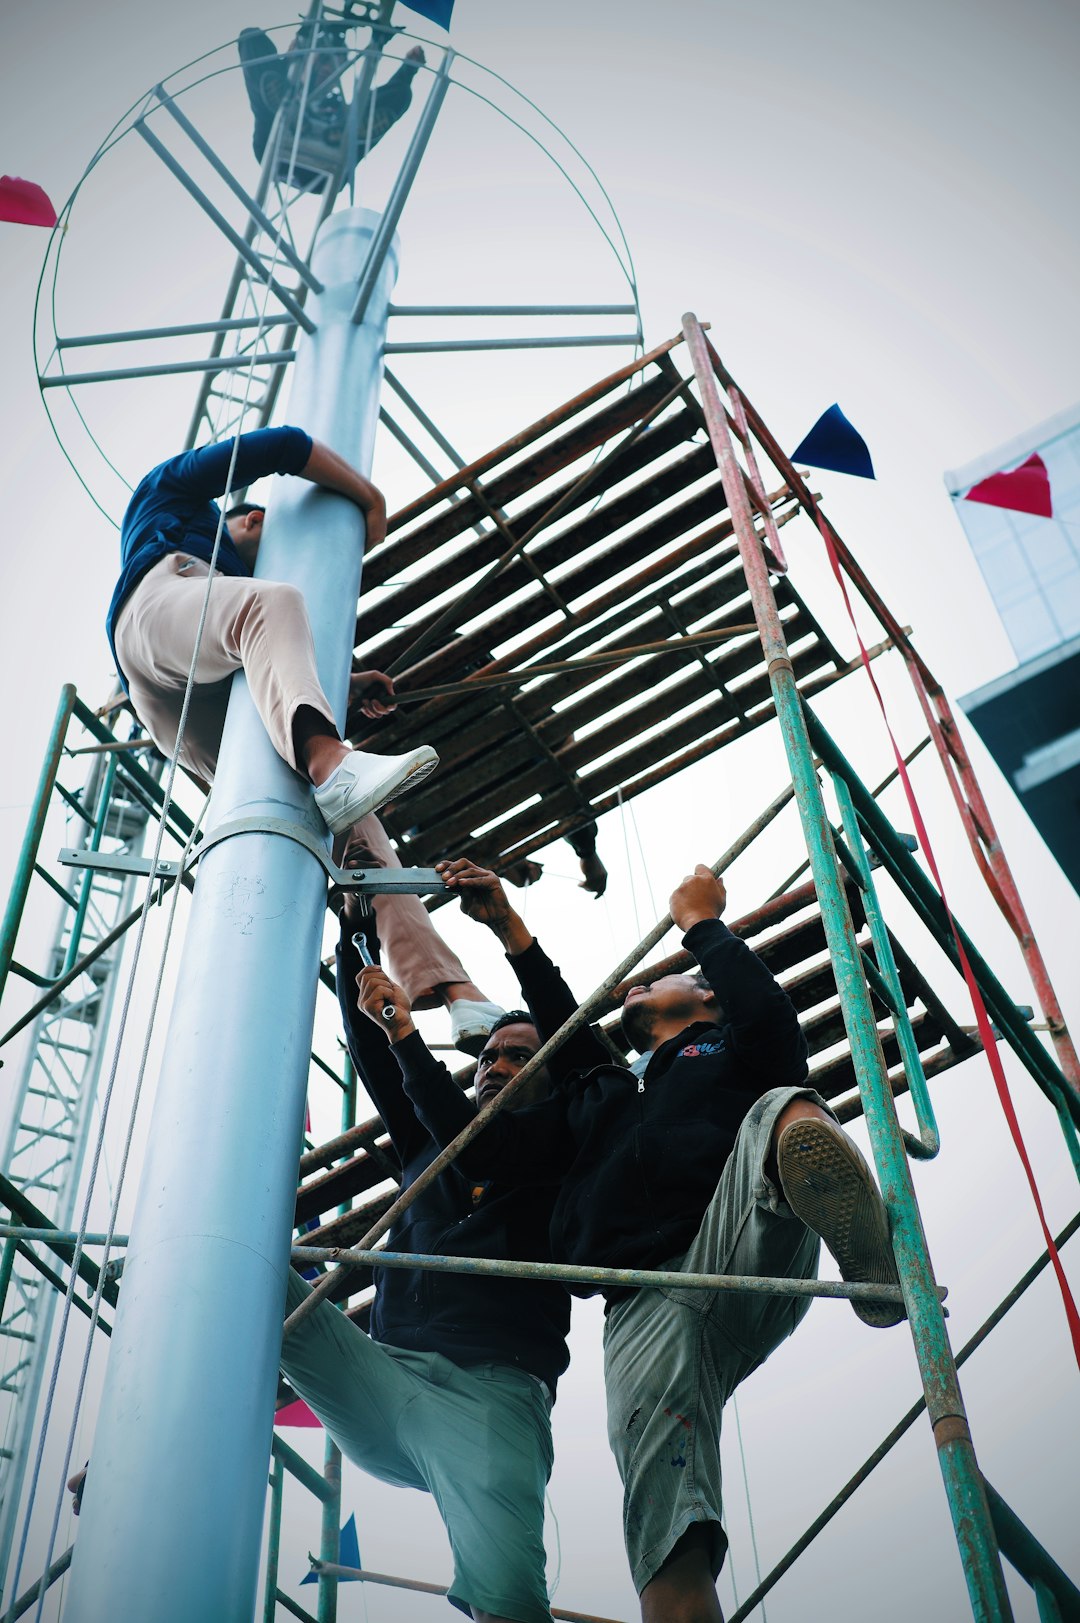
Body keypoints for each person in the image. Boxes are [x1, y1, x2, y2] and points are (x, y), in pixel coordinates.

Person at [398, 859, 904, 1623]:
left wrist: (701, 924)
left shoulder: (731, 1053)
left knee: (785, 1111)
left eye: (655, 979)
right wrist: (497, 939)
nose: (632, 987)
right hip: (641, 1312)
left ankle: (864, 1252)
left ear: (705, 993)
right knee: (666, 1537)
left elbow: (767, 1020)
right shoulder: (601, 1097)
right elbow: (501, 1126)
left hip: (737, 1234)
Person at [278, 902, 570, 1623]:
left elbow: (588, 1061)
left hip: (491, 1399)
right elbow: (378, 1052)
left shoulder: (567, 1154)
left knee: (508, 1601)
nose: (492, 1066)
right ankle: (147, 1442)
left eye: (516, 1055)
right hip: (388, 1374)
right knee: (243, 1269)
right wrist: (352, 936)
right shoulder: (425, 1141)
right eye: (485, 1056)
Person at [106, 426, 437, 833]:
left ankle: (388, 896)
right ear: (254, 520)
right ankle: (329, 761)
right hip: (154, 612)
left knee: (334, 817)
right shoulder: (168, 492)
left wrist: (343, 682)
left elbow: (254, 654)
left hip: (181, 707)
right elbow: (283, 445)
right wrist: (371, 497)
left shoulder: (228, 594)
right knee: (273, 601)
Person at [238, 24, 425, 191]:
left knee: (399, 95)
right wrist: (291, 59)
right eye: (325, 60)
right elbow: (251, 39)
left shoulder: (337, 109)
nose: (330, 69)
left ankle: (344, 134)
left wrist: (406, 71)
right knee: (252, 41)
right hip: (275, 139)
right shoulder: (287, 81)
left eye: (338, 65)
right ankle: (290, 114)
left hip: (327, 160)